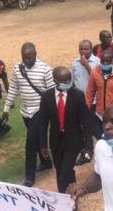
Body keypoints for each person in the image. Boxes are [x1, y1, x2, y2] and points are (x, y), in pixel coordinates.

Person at [35, 67, 94, 195]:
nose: (68, 82)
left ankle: (67, 198)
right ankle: (67, 196)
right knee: (60, 169)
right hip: (56, 141)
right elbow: (43, 123)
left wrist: (88, 146)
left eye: (69, 79)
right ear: (55, 80)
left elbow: (86, 122)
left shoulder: (77, 95)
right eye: (64, 80)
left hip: (73, 140)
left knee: (65, 171)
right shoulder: (47, 97)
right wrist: (43, 145)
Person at [3, 43, 54, 186]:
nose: (26, 61)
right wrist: (6, 107)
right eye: (24, 58)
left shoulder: (45, 70)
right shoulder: (18, 68)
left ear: (35, 55)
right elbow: (13, 87)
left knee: (30, 142)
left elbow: (52, 93)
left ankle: (29, 176)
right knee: (38, 140)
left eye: (29, 58)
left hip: (40, 111)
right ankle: (46, 162)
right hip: (25, 111)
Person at [73, 40, 101, 165]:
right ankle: (88, 151)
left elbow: (97, 80)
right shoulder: (75, 63)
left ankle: (89, 151)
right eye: (81, 49)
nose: (83, 52)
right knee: (86, 128)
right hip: (80, 101)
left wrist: (86, 65)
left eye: (86, 49)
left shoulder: (97, 62)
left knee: (91, 127)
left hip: (93, 100)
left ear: (91, 49)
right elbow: (73, 82)